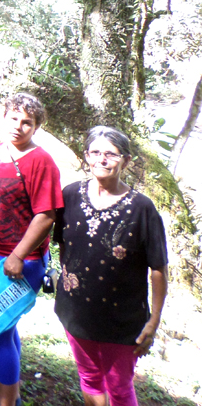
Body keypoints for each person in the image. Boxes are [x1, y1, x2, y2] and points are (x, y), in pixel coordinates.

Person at [53, 126, 167, 406]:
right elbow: (65, 246)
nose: (101, 160)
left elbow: (158, 269)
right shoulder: (70, 195)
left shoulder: (142, 208)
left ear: (126, 161)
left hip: (122, 321)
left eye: (111, 154)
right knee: (89, 377)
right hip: (76, 312)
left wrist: (153, 322)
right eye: (95, 153)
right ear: (86, 157)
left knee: (119, 388)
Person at [0, 92, 63, 406]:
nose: (19, 126)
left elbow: (46, 215)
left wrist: (18, 255)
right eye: (14, 118)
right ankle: (10, 393)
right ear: (3, 118)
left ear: (36, 127)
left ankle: (7, 403)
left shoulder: (41, 161)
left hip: (20, 260)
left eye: (28, 122)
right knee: (5, 326)